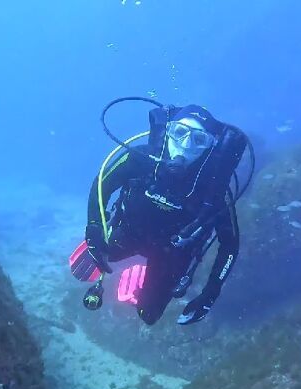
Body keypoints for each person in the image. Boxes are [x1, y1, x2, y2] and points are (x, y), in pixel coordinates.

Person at [84, 104, 246, 325]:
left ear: (210, 147)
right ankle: (116, 253)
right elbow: (102, 183)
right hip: (131, 232)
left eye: (198, 140)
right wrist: (94, 227)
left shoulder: (214, 189)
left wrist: (210, 293)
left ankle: (141, 280)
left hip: (172, 255)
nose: (185, 146)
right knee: (103, 255)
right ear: (168, 130)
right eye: (180, 133)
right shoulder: (140, 158)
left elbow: (230, 245)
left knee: (148, 316)